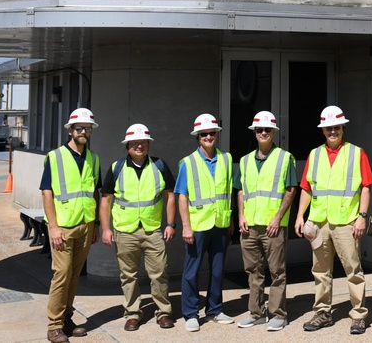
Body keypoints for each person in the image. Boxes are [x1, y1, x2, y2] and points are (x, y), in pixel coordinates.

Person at [294, 105, 372, 335]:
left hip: (347, 221)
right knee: (320, 270)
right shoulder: (314, 154)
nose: (333, 131)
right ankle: (322, 312)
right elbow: (306, 188)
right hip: (319, 222)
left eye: (336, 127)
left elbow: (366, 187)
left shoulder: (356, 153)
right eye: (329, 128)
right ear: (323, 130)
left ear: (343, 128)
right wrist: (300, 215)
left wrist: (362, 217)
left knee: (353, 269)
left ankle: (358, 314)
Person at [99, 123, 177, 331]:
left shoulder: (160, 166)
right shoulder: (117, 168)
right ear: (128, 146)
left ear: (148, 145)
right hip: (125, 231)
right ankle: (133, 313)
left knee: (159, 273)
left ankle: (163, 312)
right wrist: (106, 229)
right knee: (128, 275)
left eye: (143, 142)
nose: (139, 146)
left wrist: (170, 224)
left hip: (153, 230)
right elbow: (106, 200)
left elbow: (170, 196)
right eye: (135, 143)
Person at [41, 107, 101, 343]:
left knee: (74, 275)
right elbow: (47, 193)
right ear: (70, 130)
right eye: (79, 128)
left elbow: (94, 192)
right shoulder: (55, 157)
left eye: (87, 128)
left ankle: (66, 318)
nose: (83, 132)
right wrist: (53, 228)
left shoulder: (94, 158)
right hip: (63, 227)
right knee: (62, 275)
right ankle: (54, 326)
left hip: (85, 225)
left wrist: (95, 223)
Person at [236, 111, 297, 332]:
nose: (263, 132)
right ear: (254, 132)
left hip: (274, 226)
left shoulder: (284, 157)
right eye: (259, 129)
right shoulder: (244, 161)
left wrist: (278, 218)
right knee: (253, 271)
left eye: (267, 130)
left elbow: (291, 190)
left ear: (273, 133)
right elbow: (241, 190)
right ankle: (256, 314)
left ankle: (278, 315)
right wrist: (241, 215)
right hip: (250, 225)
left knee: (277, 272)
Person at [174, 113, 235, 332]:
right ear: (198, 137)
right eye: (204, 134)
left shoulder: (226, 159)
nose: (208, 136)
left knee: (217, 270)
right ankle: (190, 314)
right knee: (192, 271)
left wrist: (230, 219)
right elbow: (182, 195)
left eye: (211, 133)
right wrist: (186, 226)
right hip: (198, 226)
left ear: (216, 134)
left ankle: (214, 310)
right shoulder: (188, 163)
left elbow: (229, 190)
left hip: (220, 222)